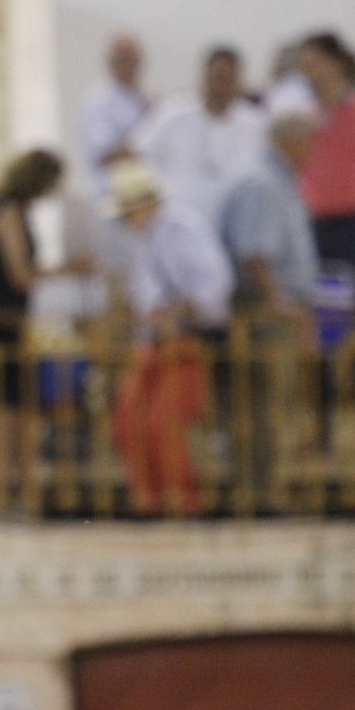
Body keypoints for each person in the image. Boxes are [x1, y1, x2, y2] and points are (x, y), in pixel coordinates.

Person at [107, 160, 234, 517]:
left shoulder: (184, 229)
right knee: (129, 418)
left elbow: (213, 288)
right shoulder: (144, 237)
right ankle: (150, 497)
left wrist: (174, 314)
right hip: (154, 340)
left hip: (187, 339)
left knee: (166, 422)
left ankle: (180, 499)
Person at [0, 149, 87, 511]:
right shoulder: (6, 211)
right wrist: (70, 268)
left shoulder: (13, 209)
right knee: (6, 416)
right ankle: (0, 497)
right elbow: (20, 276)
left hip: (13, 323)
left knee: (21, 414)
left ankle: (21, 494)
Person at [218, 113, 321, 509]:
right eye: (309, 143)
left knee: (268, 403)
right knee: (261, 402)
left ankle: (263, 488)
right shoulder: (262, 181)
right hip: (264, 308)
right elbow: (254, 251)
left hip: (277, 304)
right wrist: (277, 299)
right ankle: (257, 493)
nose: (312, 153)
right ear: (291, 142)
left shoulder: (275, 177)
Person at [132, 47, 267, 224]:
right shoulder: (172, 113)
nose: (222, 85)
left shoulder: (255, 123)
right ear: (204, 76)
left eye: (229, 78)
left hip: (232, 225)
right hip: (175, 223)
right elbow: (137, 155)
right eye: (218, 76)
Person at [296, 32, 355, 273]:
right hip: (311, 219)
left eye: (315, 64)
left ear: (336, 62)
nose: (311, 73)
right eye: (306, 67)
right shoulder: (305, 114)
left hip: (349, 218)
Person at [77, 35, 148, 200]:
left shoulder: (140, 99)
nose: (129, 66)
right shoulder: (97, 101)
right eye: (123, 59)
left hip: (141, 198)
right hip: (110, 196)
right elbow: (106, 156)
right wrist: (150, 137)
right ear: (111, 62)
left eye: (133, 60)